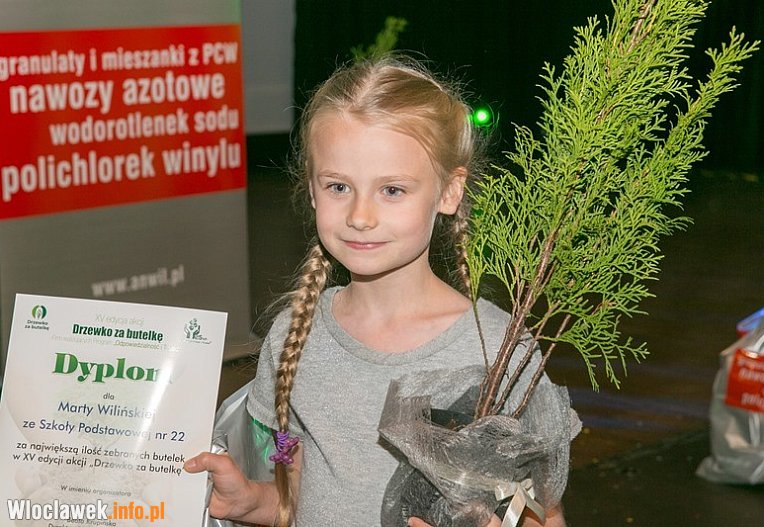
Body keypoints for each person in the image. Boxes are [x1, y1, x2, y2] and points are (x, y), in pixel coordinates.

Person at [184, 55, 567, 527]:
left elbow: (544, 514)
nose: (360, 216)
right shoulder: (294, 336)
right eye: (338, 186)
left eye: (392, 190)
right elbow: (300, 494)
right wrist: (252, 502)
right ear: (312, 189)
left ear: (449, 192)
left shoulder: (498, 352)